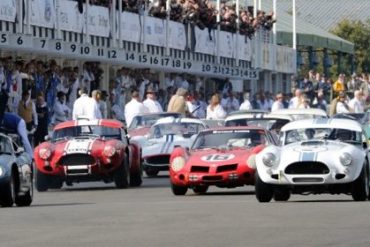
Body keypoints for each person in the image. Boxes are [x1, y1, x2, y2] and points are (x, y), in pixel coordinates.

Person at [0, 90, 33, 159]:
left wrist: (4, 95)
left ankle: (31, 156)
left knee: (24, 139)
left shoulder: (1, 115)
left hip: (19, 123)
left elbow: (2, 104)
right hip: (14, 125)